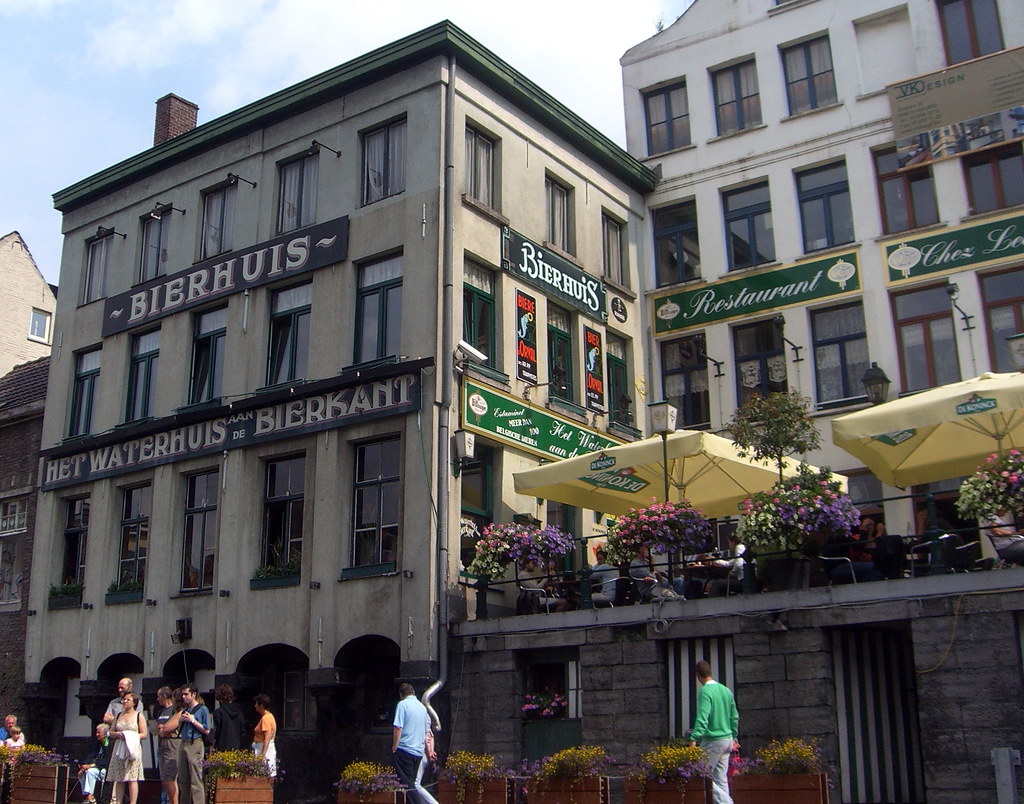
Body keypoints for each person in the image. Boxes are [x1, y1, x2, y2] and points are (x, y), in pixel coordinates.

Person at [689, 660, 738, 804]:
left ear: (697, 675)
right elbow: (734, 716)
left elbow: (703, 717)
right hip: (727, 739)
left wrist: (694, 738)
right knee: (720, 779)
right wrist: (734, 736)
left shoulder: (705, 691)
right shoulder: (725, 690)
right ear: (710, 672)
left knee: (700, 774)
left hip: (713, 740)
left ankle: (728, 803)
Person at [391, 683, 438, 804]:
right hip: (418, 751)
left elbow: (398, 727)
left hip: (404, 749)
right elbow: (426, 732)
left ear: (401, 695)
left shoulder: (402, 705)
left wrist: (394, 747)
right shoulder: (422, 708)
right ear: (413, 692)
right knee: (411, 782)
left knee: (408, 784)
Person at [107, 692, 148, 804]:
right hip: (119, 747)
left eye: (127, 700)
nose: (124, 701)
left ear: (134, 702)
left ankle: (132, 802)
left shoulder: (139, 716)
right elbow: (110, 732)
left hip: (132, 748)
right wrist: (117, 735)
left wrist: (130, 736)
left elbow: (144, 734)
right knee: (119, 777)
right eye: (123, 700)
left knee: (132, 777)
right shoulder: (119, 715)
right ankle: (118, 801)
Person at [177, 683, 210, 804]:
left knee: (196, 779)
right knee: (183, 779)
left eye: (186, 694)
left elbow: (206, 730)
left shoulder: (202, 709)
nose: (184, 697)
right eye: (183, 694)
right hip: (183, 743)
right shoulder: (185, 710)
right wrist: (181, 719)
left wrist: (193, 720)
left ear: (194, 694)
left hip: (195, 743)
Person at [154, 686, 181, 804]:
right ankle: (164, 800)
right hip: (162, 745)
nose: (157, 699)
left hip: (172, 745)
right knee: (164, 777)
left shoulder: (175, 712)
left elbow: (169, 728)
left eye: (159, 696)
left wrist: (164, 729)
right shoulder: (161, 711)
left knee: (170, 778)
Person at [77, 723, 110, 804]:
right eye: (96, 732)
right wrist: (83, 765)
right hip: (96, 768)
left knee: (90, 772)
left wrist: (91, 765)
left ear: (105, 734)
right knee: (82, 773)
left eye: (99, 733)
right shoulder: (97, 744)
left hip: (105, 769)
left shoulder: (108, 743)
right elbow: (90, 755)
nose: (97, 734)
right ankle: (88, 796)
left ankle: (90, 796)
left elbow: (106, 760)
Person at [213, 684, 246, 751]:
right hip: (236, 747)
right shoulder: (239, 713)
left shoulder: (219, 712)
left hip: (221, 747)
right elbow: (243, 732)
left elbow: (217, 731)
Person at [252, 694, 277, 777]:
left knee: (264, 774)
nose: (255, 706)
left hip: (264, 748)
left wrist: (262, 756)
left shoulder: (266, 718)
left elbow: (267, 737)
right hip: (264, 747)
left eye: (256, 704)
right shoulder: (270, 716)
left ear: (261, 705)